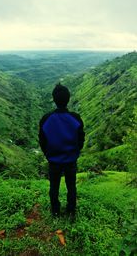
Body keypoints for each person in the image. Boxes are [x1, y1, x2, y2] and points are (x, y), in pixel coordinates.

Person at [38, 83, 85, 217]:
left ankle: (55, 211)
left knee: (54, 187)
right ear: (68, 99)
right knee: (71, 186)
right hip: (71, 159)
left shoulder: (46, 119)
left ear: (53, 99)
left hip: (53, 159)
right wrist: (75, 151)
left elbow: (42, 140)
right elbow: (80, 138)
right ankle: (71, 211)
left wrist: (47, 154)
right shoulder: (75, 118)